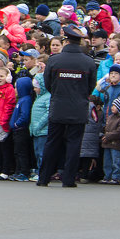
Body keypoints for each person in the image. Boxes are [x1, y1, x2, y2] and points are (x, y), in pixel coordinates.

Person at [37, 25, 99, 187]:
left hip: (58, 106)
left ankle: (43, 178)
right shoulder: (88, 62)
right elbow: (90, 87)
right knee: (74, 144)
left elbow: (48, 84)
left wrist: (59, 95)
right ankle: (69, 179)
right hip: (78, 107)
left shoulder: (54, 60)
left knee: (52, 142)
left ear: (66, 41)